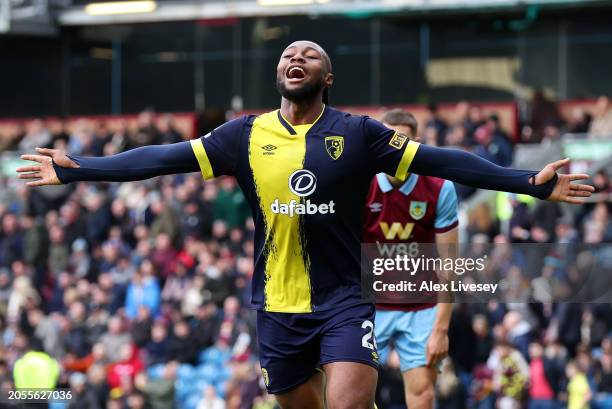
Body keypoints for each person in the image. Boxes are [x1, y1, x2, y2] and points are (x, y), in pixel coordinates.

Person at [16, 40, 593, 409]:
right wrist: (79, 170)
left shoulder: (362, 134)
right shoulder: (242, 135)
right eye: (288, 54)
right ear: (278, 72)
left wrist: (527, 182)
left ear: (328, 76)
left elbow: (445, 160)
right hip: (277, 304)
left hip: (345, 298)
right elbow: (160, 158)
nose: (296, 58)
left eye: (309, 54)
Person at [363, 109, 456, 409]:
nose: (392, 148)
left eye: (400, 141)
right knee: (350, 396)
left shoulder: (440, 188)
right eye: (385, 140)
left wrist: (441, 329)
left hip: (421, 308)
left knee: (423, 395)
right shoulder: (360, 184)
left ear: (415, 144)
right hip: (368, 306)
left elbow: (448, 264)